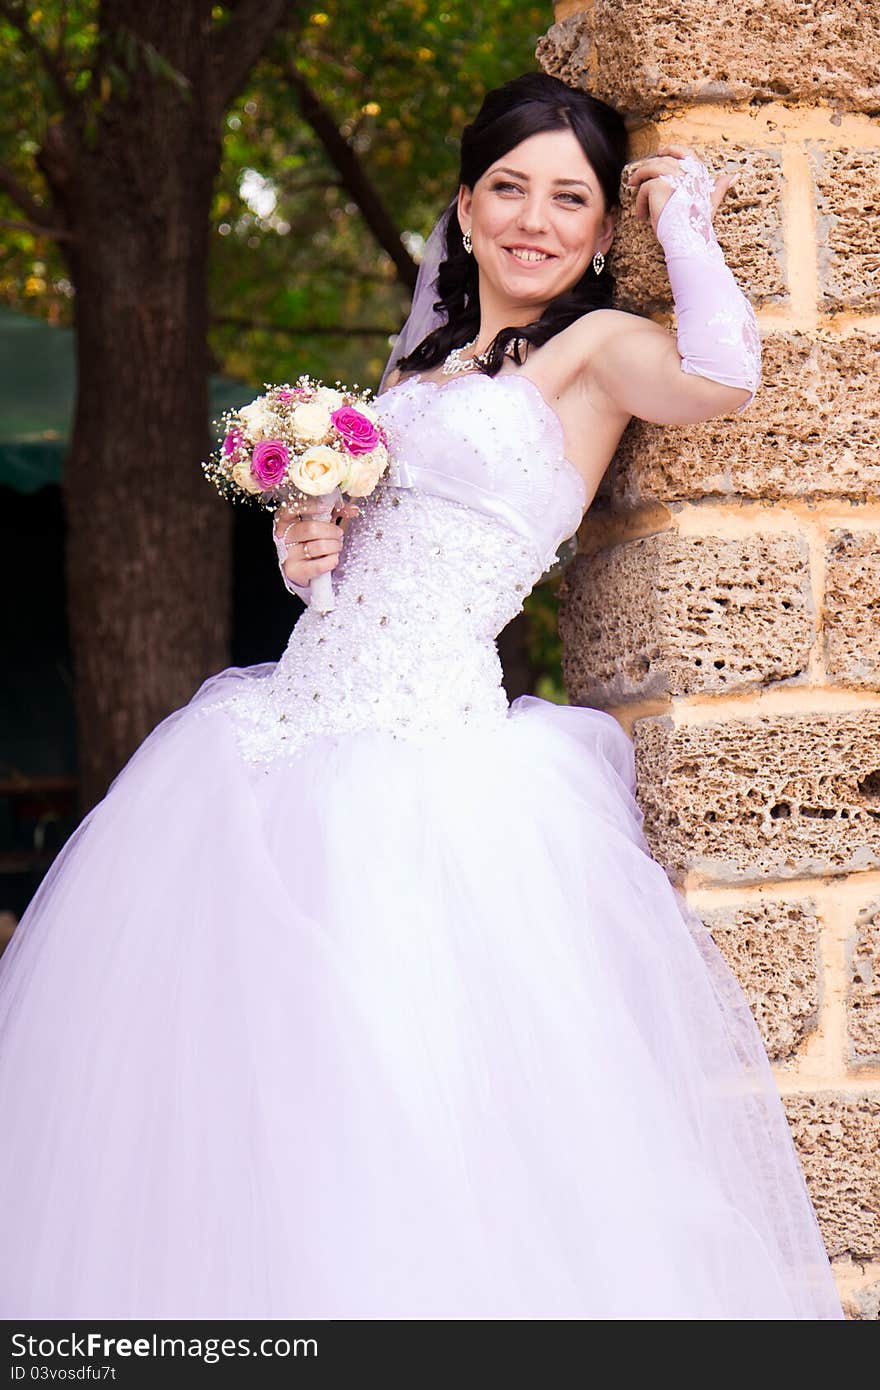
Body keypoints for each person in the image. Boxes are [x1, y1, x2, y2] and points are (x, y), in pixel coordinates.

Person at [0, 71, 843, 1320]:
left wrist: (684, 221)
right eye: (509, 189)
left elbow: (721, 373)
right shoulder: (419, 365)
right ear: (464, 204)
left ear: (597, 229)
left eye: (570, 199)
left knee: (403, 1074)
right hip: (284, 735)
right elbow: (362, 561)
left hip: (429, 761)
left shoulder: (592, 353)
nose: (535, 220)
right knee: (257, 1085)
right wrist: (307, 549)